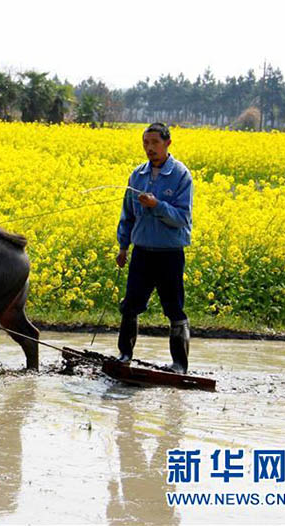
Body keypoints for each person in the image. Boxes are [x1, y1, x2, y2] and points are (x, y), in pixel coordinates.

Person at [116, 122, 193, 373]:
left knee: (174, 307)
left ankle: (179, 365)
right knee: (130, 305)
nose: (150, 148)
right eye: (145, 143)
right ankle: (124, 355)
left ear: (167, 143)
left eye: (155, 143)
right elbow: (127, 215)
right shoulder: (137, 175)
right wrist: (123, 247)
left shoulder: (181, 175)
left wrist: (157, 205)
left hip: (169, 254)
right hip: (142, 253)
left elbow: (182, 218)